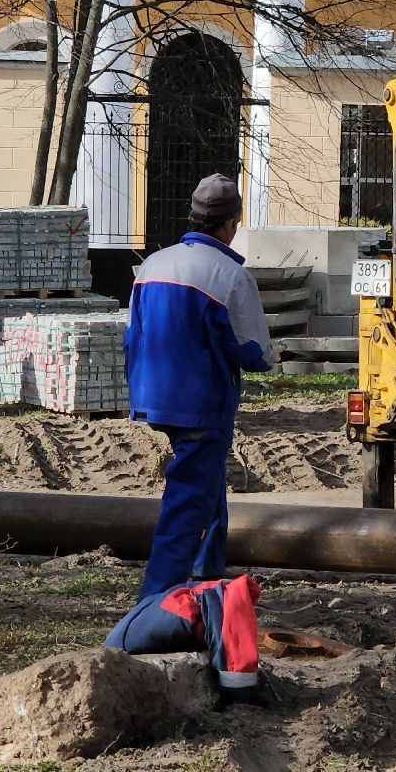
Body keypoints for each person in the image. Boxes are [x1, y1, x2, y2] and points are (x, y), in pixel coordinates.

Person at [125, 174, 273, 599]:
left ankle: (209, 576)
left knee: (208, 485)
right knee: (189, 497)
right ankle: (157, 596)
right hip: (201, 403)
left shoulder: (153, 264)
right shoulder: (229, 274)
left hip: (153, 394)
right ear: (231, 224)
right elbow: (256, 354)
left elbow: (133, 333)